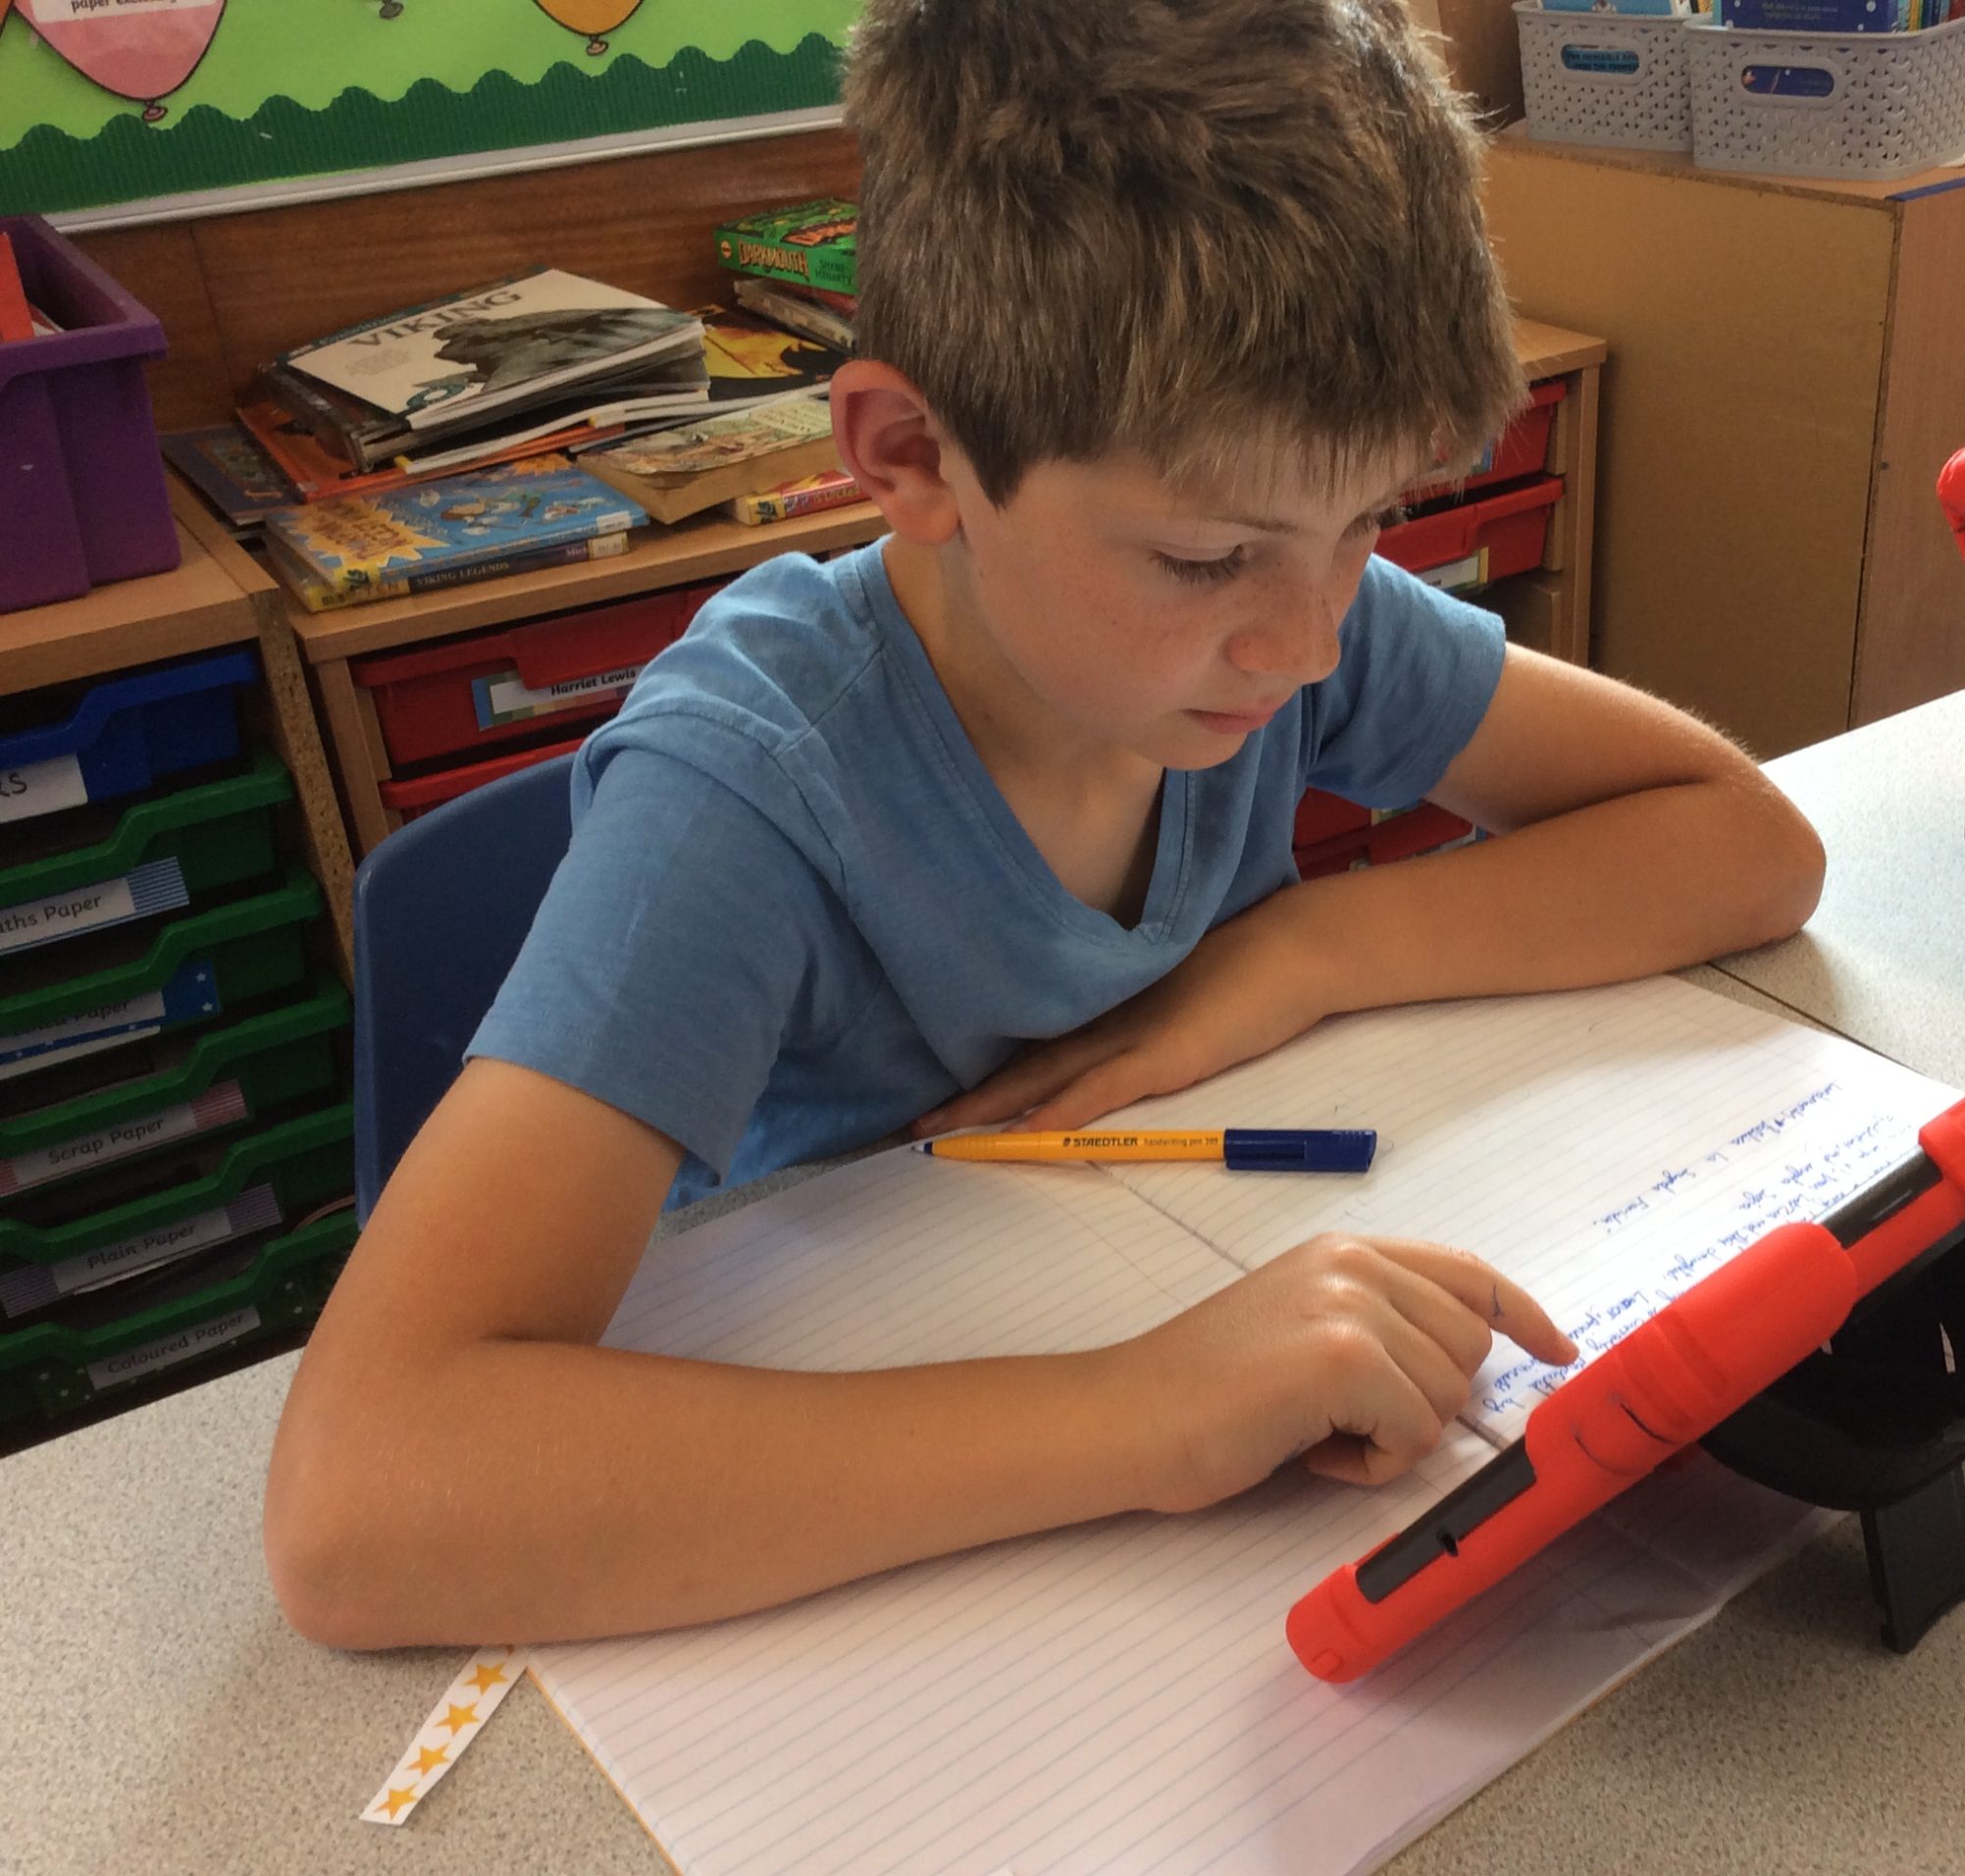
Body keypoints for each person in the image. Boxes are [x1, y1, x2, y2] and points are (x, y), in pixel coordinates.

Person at [264, 0, 1826, 1650]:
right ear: (914, 457)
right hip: (825, 1494)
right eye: (1206, 561)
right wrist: (1143, 1412)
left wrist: (1307, 948)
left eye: (1371, 520)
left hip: (1140, 1304)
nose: (1311, 644)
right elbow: (360, 1503)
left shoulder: (1276, 603)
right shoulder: (749, 793)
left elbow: (1745, 844)